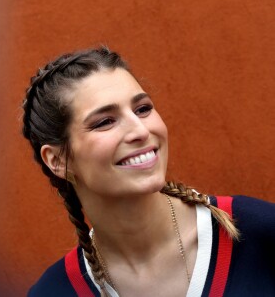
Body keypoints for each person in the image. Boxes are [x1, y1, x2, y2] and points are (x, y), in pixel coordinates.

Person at [22, 47, 275, 297]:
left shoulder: (260, 233)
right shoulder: (54, 291)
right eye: (105, 121)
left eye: (142, 109)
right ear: (57, 160)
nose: (141, 131)